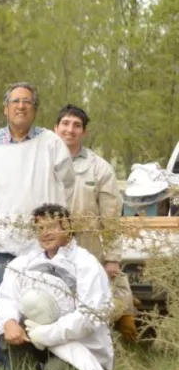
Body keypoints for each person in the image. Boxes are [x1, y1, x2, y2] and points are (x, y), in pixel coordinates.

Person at [0, 82, 74, 367]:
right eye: (15, 101)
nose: (21, 106)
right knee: (5, 314)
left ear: (35, 109)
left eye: (27, 102)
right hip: (2, 248)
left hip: (44, 248)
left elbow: (66, 183)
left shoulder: (51, 143)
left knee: (46, 311)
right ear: (5, 108)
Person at [0, 204, 114, 370]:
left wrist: (46, 333)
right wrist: (9, 322)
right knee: (8, 336)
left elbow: (89, 315)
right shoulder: (23, 263)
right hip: (34, 338)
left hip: (76, 346)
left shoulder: (86, 264)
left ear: (68, 227)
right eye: (40, 228)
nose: (45, 233)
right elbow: (7, 300)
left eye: (52, 227)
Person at [54, 104, 136, 342]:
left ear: (84, 132)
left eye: (77, 125)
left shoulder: (100, 168)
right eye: (66, 124)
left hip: (88, 249)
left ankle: (99, 354)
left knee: (93, 307)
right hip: (49, 248)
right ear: (56, 128)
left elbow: (111, 218)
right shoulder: (42, 162)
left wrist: (112, 259)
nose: (70, 130)